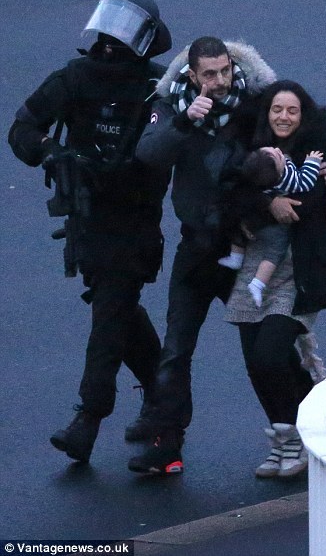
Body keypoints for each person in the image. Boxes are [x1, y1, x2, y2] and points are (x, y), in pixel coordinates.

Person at [8, 0, 173, 463]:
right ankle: (162, 390)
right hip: (89, 219)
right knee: (115, 307)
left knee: (109, 312)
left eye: (125, 30)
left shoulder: (158, 88)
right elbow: (22, 128)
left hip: (134, 219)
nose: (111, 41)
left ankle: (89, 417)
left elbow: (172, 149)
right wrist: (51, 152)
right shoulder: (75, 78)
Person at [127, 36, 278, 474]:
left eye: (225, 70)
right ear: (192, 76)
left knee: (265, 351)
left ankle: (303, 430)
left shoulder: (257, 102)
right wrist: (185, 121)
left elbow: (300, 132)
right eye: (209, 74)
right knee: (176, 349)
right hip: (196, 247)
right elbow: (148, 154)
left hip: (244, 246)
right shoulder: (172, 105)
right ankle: (167, 445)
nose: (219, 80)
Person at [224, 80, 326, 478]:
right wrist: (267, 201)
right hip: (255, 268)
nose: (284, 117)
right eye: (277, 109)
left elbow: (304, 203)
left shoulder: (317, 154)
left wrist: (267, 198)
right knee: (256, 362)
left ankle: (301, 433)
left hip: (298, 270)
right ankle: (286, 438)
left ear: (303, 115)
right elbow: (229, 193)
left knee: (270, 355)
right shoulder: (250, 148)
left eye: (292, 110)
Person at [218, 146, 324, 307]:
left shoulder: (257, 175)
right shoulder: (288, 180)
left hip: (254, 218)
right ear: (280, 171)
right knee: (275, 251)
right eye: (278, 156)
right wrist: (312, 161)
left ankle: (236, 256)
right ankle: (258, 283)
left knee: (237, 220)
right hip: (273, 226)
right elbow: (305, 182)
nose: (277, 149)